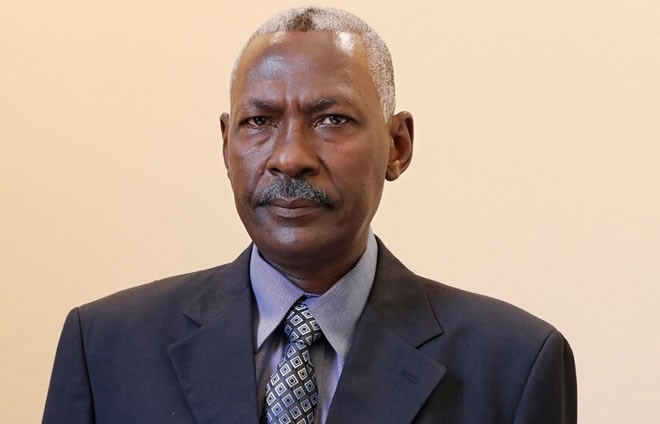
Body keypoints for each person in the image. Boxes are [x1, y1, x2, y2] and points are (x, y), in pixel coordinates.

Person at [43, 6, 577, 424]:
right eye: (260, 121)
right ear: (226, 145)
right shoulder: (105, 347)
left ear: (397, 146)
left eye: (333, 119)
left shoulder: (515, 365)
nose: (290, 156)